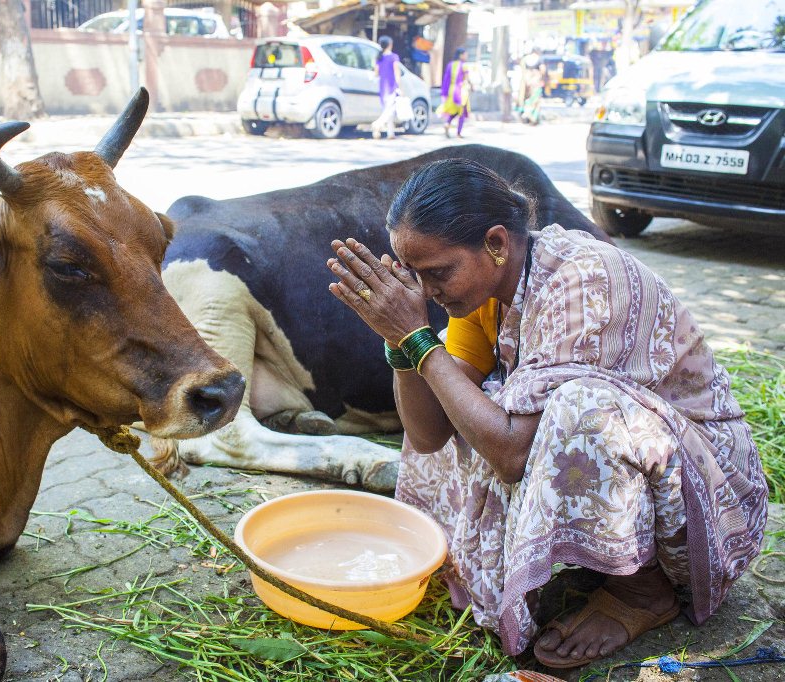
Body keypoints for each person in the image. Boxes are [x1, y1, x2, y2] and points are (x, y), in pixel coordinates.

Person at [325, 159, 767, 669]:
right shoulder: (484, 293)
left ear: (496, 242)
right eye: (415, 277)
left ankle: (646, 592)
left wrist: (419, 340)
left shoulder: (583, 278)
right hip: (653, 472)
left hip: (709, 486)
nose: (426, 292)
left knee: (578, 409)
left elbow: (512, 454)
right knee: (456, 389)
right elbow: (428, 438)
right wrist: (400, 344)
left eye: (438, 273)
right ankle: (603, 561)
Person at [370, 35, 401, 140]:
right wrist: (399, 87)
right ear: (390, 45)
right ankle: (377, 124)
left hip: (383, 87)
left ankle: (390, 133)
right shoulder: (394, 57)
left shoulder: (379, 58)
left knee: (388, 110)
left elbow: (376, 73)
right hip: (392, 87)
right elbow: (397, 73)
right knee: (390, 110)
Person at [439, 47, 472, 138]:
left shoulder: (450, 65)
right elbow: (467, 78)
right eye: (465, 54)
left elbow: (446, 79)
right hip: (461, 90)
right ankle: (458, 133)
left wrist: (444, 92)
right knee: (461, 112)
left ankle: (447, 123)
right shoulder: (464, 65)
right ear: (461, 55)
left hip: (451, 90)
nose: (466, 56)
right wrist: (472, 86)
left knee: (455, 111)